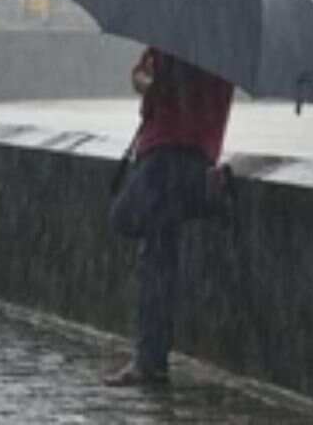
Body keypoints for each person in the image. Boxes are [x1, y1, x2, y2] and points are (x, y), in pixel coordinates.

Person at [101, 46, 235, 387]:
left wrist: (145, 82)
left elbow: (159, 89)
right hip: (200, 155)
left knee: (144, 246)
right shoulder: (225, 48)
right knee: (161, 257)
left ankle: (149, 362)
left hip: (163, 156)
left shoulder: (175, 39)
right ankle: (151, 358)